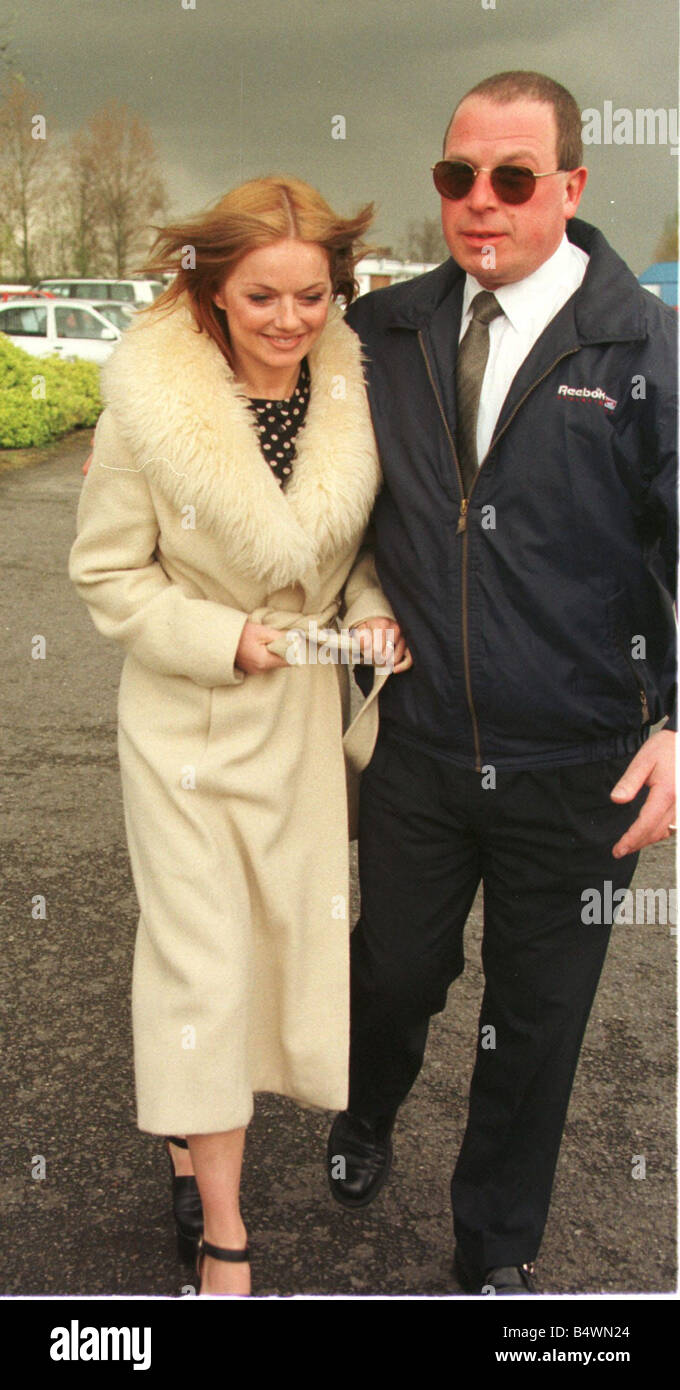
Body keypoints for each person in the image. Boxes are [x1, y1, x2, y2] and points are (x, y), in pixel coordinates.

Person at [327, 71, 677, 1295]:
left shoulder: (641, 345)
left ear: (570, 187)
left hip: (575, 768)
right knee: (391, 971)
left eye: (511, 178)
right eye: (455, 176)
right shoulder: (387, 329)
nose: (478, 203)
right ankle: (364, 1115)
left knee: (534, 1029)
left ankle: (492, 1255)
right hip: (419, 747)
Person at [69, 175, 409, 1296]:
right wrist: (226, 637)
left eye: (311, 296)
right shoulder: (147, 412)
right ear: (209, 293)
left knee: (276, 959)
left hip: (305, 732)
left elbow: (351, 548)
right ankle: (225, 1239)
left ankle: (190, 1129)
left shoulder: (354, 391)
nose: (289, 321)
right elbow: (107, 574)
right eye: (261, 297)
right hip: (186, 728)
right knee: (200, 966)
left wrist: (366, 612)